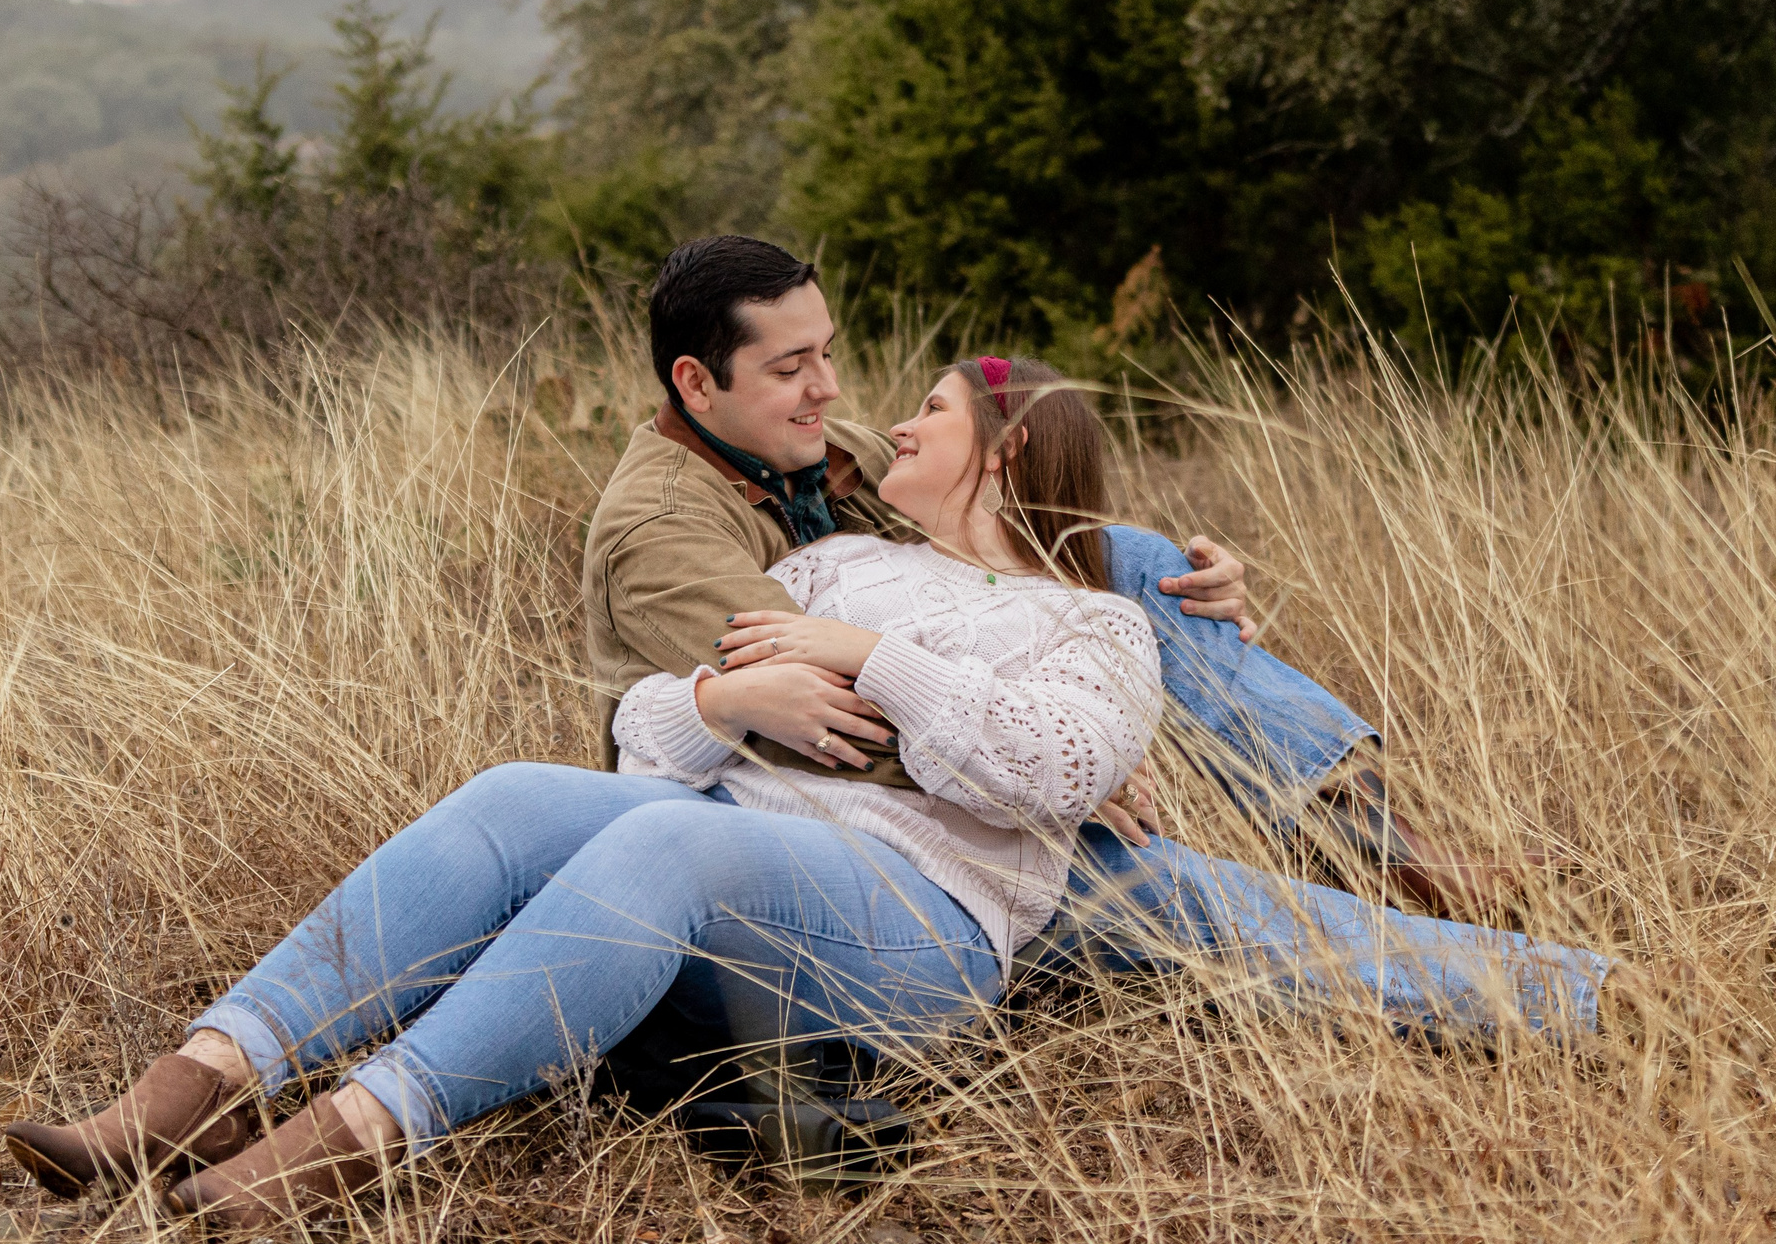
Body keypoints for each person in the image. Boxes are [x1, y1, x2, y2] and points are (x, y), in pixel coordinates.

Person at [0, 356, 1627, 1231]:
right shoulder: (822, 546)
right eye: (841, 381)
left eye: (924, 407)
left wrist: (878, 665)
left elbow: (1047, 765)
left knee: (1264, 930)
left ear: (994, 457)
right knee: (530, 791)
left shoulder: (1089, 616)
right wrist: (733, 692)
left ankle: (349, 1142)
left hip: (927, 923)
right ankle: (193, 1088)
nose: (876, 413)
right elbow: (654, 739)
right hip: (759, 851)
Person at [584, 235, 1523, 920]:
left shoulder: (813, 447)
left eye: (826, 351)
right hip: (826, 818)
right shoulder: (661, 526)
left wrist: (1189, 592)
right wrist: (1055, 769)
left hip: (953, 749)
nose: (830, 388)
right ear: (696, 384)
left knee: (1144, 563)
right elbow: (814, 710)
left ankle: (1370, 841)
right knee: (1196, 903)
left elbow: (1011, 529)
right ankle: (1468, 961)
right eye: (792, 367)